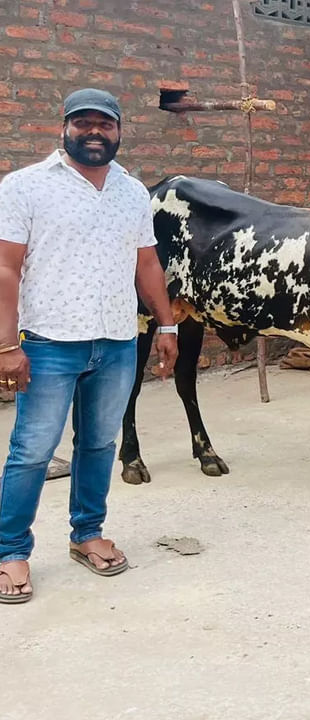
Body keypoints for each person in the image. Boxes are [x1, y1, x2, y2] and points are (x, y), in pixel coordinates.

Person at [0, 88, 177, 604]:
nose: (94, 132)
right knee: (32, 452)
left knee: (100, 444)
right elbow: (6, 267)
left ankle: (86, 534)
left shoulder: (131, 191)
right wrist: (6, 345)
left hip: (117, 341)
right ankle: (10, 550)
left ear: (120, 131)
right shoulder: (25, 187)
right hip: (49, 342)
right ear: (65, 127)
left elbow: (146, 262)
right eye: (84, 123)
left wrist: (165, 326)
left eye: (105, 123)